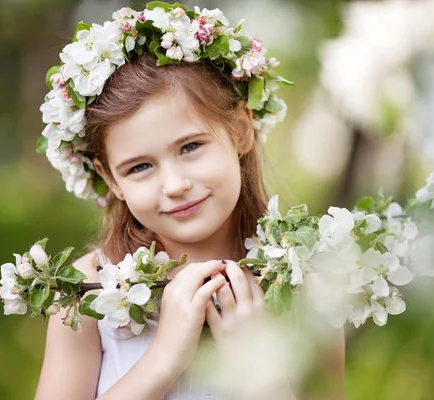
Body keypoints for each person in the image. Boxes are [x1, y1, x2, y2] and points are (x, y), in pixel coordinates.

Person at [34, 4, 344, 399]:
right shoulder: (85, 294)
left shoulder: (307, 286)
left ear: (241, 131)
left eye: (191, 146)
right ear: (111, 179)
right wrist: (164, 359)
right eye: (140, 167)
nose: (175, 185)